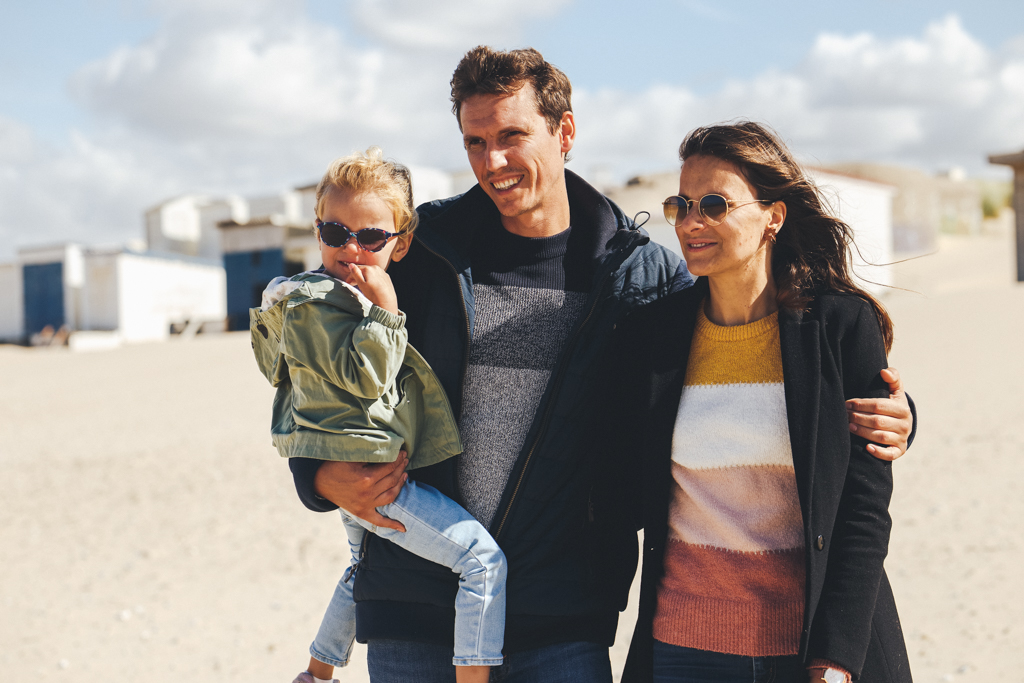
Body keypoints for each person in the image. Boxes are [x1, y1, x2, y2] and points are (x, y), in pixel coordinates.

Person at [288, 48, 917, 683]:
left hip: (562, 619)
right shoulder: (420, 249)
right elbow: (311, 346)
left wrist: (893, 415)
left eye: (512, 135)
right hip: (418, 607)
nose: (492, 161)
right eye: (475, 141)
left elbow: (744, 378)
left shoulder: (642, 278)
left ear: (564, 133)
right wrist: (316, 473)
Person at [612, 122, 913, 683]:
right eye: (681, 204)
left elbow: (863, 512)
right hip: (681, 649)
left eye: (715, 203)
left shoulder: (840, 327)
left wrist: (837, 655)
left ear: (773, 217)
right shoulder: (655, 335)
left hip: (808, 650)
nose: (690, 221)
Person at [250, 148, 506, 683]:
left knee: (360, 563)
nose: (352, 251)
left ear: (402, 240)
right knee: (482, 562)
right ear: (316, 228)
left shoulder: (344, 294)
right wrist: (387, 314)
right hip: (371, 472)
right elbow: (366, 378)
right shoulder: (316, 304)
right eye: (335, 233)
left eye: (371, 239)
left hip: (364, 463)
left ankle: (318, 672)